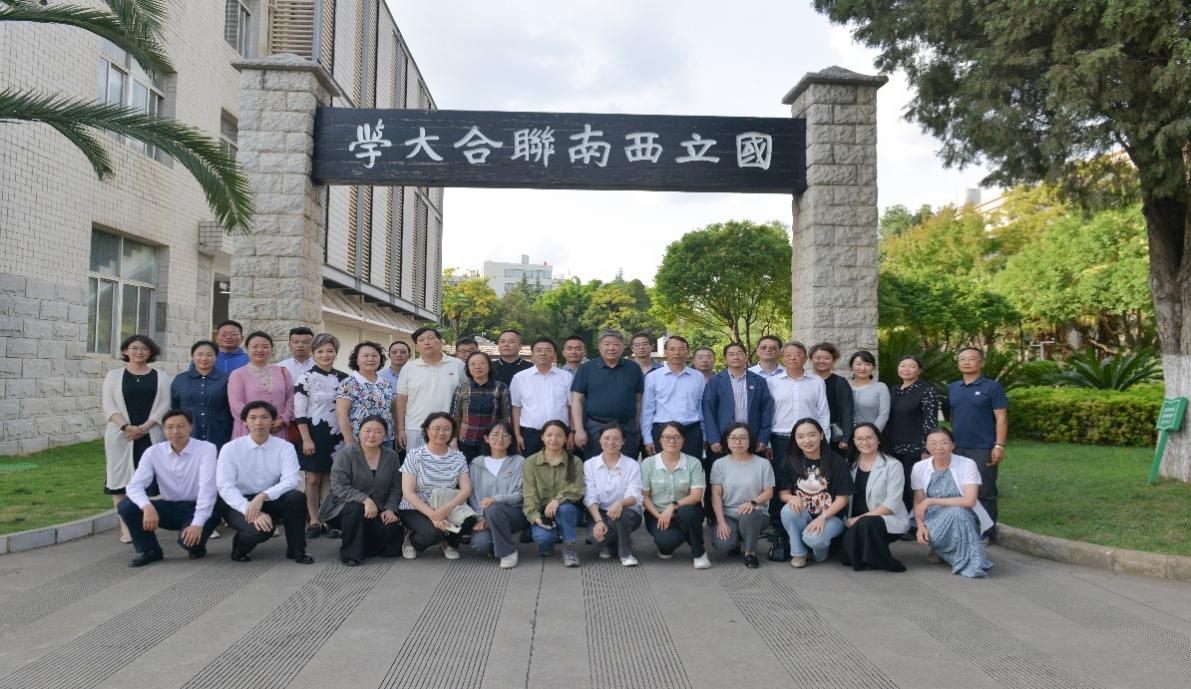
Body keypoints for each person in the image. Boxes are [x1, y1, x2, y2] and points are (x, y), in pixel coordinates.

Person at [116, 409, 220, 566]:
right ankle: (149, 550)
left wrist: (197, 524)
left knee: (188, 543)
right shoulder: (153, 452)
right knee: (127, 506)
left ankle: (197, 545)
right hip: (170, 507)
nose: (175, 431)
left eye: (180, 426)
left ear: (190, 427)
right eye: (170, 427)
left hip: (199, 507)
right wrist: (146, 507)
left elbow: (208, 489)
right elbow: (134, 486)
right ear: (163, 429)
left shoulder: (207, 449)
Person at [216, 400, 312, 563]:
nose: (259, 422)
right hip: (238, 502)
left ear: (272, 421)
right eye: (253, 418)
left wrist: (263, 496)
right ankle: (239, 548)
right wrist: (250, 509)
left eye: (264, 417)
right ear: (245, 422)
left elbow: (292, 479)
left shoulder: (285, 447)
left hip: (269, 498)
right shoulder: (230, 448)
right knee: (262, 530)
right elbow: (225, 487)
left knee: (296, 498)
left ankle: (297, 550)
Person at [103, 334, 171, 543]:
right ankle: (126, 528)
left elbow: (165, 404)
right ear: (125, 351)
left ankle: (145, 524)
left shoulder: (161, 376)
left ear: (151, 352)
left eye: (144, 348)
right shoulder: (114, 376)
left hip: (151, 434)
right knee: (120, 482)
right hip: (121, 435)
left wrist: (144, 427)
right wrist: (126, 426)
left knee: (148, 481)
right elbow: (108, 405)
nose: (139, 352)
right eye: (134, 348)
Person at [701, 342, 774, 522]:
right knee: (718, 480)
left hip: (751, 439)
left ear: (746, 356)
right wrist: (713, 439)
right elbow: (708, 410)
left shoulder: (758, 381)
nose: (736, 357)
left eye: (739, 353)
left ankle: (753, 516)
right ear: (725, 358)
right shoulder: (716, 381)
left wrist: (763, 438)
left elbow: (766, 411)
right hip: (723, 440)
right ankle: (715, 518)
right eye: (731, 354)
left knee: (751, 478)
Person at [320, 415, 404, 566]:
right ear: (359, 432)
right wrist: (365, 500)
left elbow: (396, 487)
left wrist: (390, 508)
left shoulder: (391, 456)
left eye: (378, 431)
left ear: (385, 435)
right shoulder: (348, 453)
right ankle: (350, 554)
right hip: (343, 508)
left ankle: (363, 544)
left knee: (391, 541)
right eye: (367, 430)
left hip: (378, 508)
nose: (372, 435)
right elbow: (338, 486)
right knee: (356, 509)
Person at [912, 428, 994, 578]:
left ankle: (970, 564)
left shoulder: (967, 464)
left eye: (944, 443)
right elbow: (918, 501)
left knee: (958, 513)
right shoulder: (919, 467)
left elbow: (969, 501)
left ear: (953, 445)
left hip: (966, 513)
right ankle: (942, 549)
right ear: (926, 446)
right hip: (933, 516)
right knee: (944, 524)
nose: (939, 447)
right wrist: (920, 527)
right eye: (933, 443)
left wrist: (931, 500)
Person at [776, 418, 854, 568]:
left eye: (811, 435)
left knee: (813, 539)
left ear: (821, 435)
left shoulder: (837, 462)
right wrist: (791, 498)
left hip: (831, 517)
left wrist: (823, 517)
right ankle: (799, 553)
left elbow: (843, 499)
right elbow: (783, 493)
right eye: (800, 436)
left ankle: (819, 553)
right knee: (787, 511)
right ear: (795, 439)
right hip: (804, 513)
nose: (806, 440)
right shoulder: (790, 461)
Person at [294, 333, 349, 538]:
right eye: (320, 351)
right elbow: (299, 413)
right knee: (312, 479)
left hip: (337, 435)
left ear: (336, 353)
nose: (325, 355)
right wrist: (306, 439)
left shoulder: (344, 378)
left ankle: (327, 519)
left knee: (329, 479)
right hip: (313, 434)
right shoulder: (305, 378)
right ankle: (313, 520)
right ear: (313, 354)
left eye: (330, 351)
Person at [947, 347, 1009, 531]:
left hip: (983, 447)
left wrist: (999, 445)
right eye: (962, 359)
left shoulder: (992, 387)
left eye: (972, 359)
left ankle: (986, 531)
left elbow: (1001, 418)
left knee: (985, 490)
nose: (966, 362)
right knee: (960, 489)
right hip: (958, 447)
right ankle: (966, 528)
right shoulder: (953, 388)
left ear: (981, 363)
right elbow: (953, 416)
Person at [398, 412, 474, 559]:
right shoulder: (415, 455)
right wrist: (433, 515)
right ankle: (411, 540)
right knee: (434, 533)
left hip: (445, 505)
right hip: (416, 508)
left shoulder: (458, 457)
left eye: (446, 429)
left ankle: (447, 543)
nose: (441, 432)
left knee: (469, 520)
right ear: (427, 430)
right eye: (436, 428)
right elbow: (408, 492)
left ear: (452, 432)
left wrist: (445, 510)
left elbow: (466, 489)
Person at [840, 423, 909, 572]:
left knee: (866, 523)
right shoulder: (850, 464)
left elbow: (891, 505)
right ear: (854, 441)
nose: (864, 442)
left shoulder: (893, 465)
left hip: (884, 519)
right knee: (846, 559)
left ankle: (886, 562)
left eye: (869, 438)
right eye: (859, 439)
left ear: (879, 440)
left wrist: (859, 519)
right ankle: (871, 555)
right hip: (854, 522)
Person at [641, 422, 710, 569]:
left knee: (688, 514)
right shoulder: (648, 463)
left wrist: (673, 506)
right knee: (667, 541)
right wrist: (659, 516)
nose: (672, 441)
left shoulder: (693, 463)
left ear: (683, 440)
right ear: (659, 440)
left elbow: (696, 496)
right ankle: (671, 543)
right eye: (667, 437)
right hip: (657, 513)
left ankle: (699, 553)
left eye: (677, 437)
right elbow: (644, 496)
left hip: (685, 510)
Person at [571, 329, 645, 458]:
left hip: (626, 426)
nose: (611, 348)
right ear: (600, 347)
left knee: (626, 465)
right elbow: (577, 400)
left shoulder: (633, 368)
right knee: (595, 465)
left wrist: (637, 426)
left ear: (622, 347)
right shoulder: (587, 368)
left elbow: (638, 400)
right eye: (607, 344)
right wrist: (579, 429)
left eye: (616, 344)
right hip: (595, 427)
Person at [710, 422, 774, 568]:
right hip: (729, 514)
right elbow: (716, 495)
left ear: (750, 440)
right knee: (723, 545)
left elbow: (769, 492)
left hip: (756, 512)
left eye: (743, 438)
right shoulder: (719, 464)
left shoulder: (763, 464)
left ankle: (750, 552)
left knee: (749, 515)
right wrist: (721, 521)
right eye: (733, 438)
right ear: (727, 440)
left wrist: (753, 503)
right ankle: (737, 539)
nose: (738, 442)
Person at [522, 419, 586, 567]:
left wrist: (557, 500)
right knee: (543, 538)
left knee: (565, 508)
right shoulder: (531, 462)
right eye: (549, 435)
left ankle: (569, 547)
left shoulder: (574, 461)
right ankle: (548, 541)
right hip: (543, 512)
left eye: (559, 435)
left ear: (566, 438)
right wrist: (535, 517)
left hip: (569, 510)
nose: (554, 439)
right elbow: (529, 494)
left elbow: (578, 488)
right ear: (542, 437)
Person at [467, 420, 529, 568]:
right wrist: (481, 517)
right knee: (480, 544)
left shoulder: (519, 462)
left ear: (511, 439)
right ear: (486, 438)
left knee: (494, 508)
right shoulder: (476, 463)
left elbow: (520, 494)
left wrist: (495, 499)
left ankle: (508, 553)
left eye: (505, 435)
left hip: (514, 513)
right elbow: (472, 496)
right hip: (485, 515)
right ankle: (502, 540)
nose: (500, 439)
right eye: (495, 435)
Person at [885, 355, 940, 517]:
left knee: (912, 486)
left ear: (919, 371)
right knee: (894, 485)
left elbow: (930, 422)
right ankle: (897, 519)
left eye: (911, 366)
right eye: (903, 366)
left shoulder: (926, 391)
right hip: (891, 447)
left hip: (914, 448)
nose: (906, 369)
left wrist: (927, 448)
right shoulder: (892, 391)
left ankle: (914, 522)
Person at [396, 327, 466, 450]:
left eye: (431, 338)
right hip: (416, 429)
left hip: (448, 429)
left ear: (441, 343)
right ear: (417, 347)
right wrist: (400, 430)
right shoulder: (408, 368)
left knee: (447, 462)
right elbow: (401, 400)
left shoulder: (458, 365)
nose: (427, 342)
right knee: (416, 462)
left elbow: (467, 396)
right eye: (421, 340)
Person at [583, 424, 643, 566]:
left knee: (621, 516)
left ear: (623, 442)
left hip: (626, 512)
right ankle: (615, 542)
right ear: (599, 440)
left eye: (616, 439)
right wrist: (599, 521)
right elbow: (590, 496)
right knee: (595, 537)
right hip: (601, 513)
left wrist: (620, 503)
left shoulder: (632, 465)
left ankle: (625, 554)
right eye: (607, 438)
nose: (611, 442)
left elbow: (635, 495)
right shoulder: (589, 464)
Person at [641, 335, 705, 459]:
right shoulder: (653, 377)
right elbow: (647, 410)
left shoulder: (697, 376)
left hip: (691, 431)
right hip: (663, 432)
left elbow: (701, 408)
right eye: (672, 349)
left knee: (691, 468)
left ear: (688, 352)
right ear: (666, 352)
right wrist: (647, 438)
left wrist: (705, 435)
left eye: (681, 349)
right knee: (663, 469)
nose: (677, 353)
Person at [766, 341, 830, 466]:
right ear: (782, 358)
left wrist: (824, 441)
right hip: (779, 440)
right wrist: (767, 442)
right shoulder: (772, 382)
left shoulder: (817, 382)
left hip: (809, 440)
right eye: (788, 355)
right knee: (781, 476)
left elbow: (823, 413)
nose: (792, 358)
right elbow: (766, 413)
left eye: (797, 354)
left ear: (805, 359)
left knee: (809, 475)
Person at [510, 337, 572, 456]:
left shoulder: (566, 377)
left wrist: (572, 432)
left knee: (560, 466)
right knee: (530, 466)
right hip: (531, 435)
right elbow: (516, 407)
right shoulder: (520, 378)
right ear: (532, 355)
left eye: (548, 350)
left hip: (560, 434)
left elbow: (572, 407)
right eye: (538, 350)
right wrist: (517, 434)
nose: (543, 353)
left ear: (554, 355)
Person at [227, 331, 294, 439]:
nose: (260, 350)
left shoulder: (283, 372)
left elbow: (291, 398)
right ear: (247, 349)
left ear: (271, 349)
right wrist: (258, 423)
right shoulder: (237, 374)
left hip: (277, 429)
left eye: (265, 347)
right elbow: (236, 405)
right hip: (248, 431)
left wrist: (283, 419)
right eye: (255, 347)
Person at [170, 340, 232, 450]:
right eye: (200, 354)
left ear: (216, 357)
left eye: (209, 355)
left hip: (218, 431)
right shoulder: (180, 379)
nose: (204, 358)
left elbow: (230, 406)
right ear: (192, 357)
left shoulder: (226, 379)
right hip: (187, 431)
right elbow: (175, 405)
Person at [452, 350, 511, 461]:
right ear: (468, 368)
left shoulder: (501, 388)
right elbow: (455, 416)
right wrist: (453, 439)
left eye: (482, 363)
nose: (477, 367)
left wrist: (505, 438)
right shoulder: (462, 389)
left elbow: (507, 417)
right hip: (466, 440)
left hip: (492, 441)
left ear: (489, 366)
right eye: (472, 364)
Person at [336, 341, 397, 447]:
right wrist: (349, 440)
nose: (370, 359)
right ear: (356, 360)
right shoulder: (349, 383)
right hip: (360, 440)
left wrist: (396, 433)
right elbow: (342, 414)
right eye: (365, 356)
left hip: (386, 439)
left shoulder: (386, 383)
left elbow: (392, 410)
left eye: (374, 356)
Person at [809, 342, 855, 451]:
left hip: (834, 436)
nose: (822, 361)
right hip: (807, 434)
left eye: (827, 358)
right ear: (811, 359)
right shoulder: (805, 381)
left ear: (833, 360)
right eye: (818, 358)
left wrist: (846, 438)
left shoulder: (840, 382)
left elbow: (847, 411)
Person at [848, 350, 889, 431]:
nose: (862, 368)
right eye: (858, 364)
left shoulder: (880, 387)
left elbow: (883, 415)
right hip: (847, 435)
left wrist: (871, 433)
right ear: (851, 366)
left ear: (873, 367)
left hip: (871, 434)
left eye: (867, 364)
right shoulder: (845, 386)